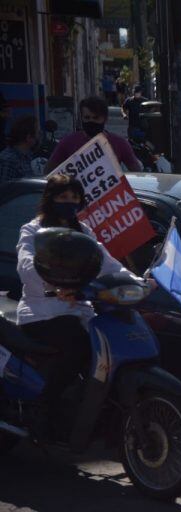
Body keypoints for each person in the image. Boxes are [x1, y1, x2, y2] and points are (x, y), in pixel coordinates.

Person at [16, 174, 145, 437]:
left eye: (74, 197)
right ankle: (45, 407)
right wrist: (56, 287)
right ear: (50, 199)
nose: (69, 202)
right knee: (79, 346)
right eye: (63, 197)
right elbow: (26, 266)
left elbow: (106, 262)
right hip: (41, 311)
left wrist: (137, 282)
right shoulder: (32, 230)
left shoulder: (83, 231)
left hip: (79, 309)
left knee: (107, 348)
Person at [45, 96, 141, 173]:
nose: (91, 121)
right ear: (81, 118)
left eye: (96, 118)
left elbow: (137, 174)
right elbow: (48, 172)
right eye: (87, 118)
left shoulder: (120, 143)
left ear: (105, 119)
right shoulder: (67, 142)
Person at [0, 115, 37, 183]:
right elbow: (4, 190)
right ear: (28, 137)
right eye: (37, 132)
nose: (39, 135)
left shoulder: (28, 155)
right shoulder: (9, 160)